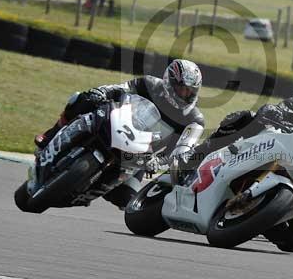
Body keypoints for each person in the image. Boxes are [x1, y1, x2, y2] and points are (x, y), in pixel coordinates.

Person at [170, 73, 293, 252]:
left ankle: (254, 218)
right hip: (269, 150)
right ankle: (193, 157)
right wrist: (273, 115)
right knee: (244, 118)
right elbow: (275, 111)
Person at [34, 59, 206, 209]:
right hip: (118, 125)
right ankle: (50, 136)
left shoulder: (194, 119)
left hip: (139, 156)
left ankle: (86, 190)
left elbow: (182, 151)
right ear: (169, 82)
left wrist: (157, 162)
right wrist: (102, 92)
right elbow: (121, 88)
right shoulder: (150, 84)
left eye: (190, 91)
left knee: (128, 200)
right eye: (181, 88)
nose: (185, 94)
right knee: (81, 99)